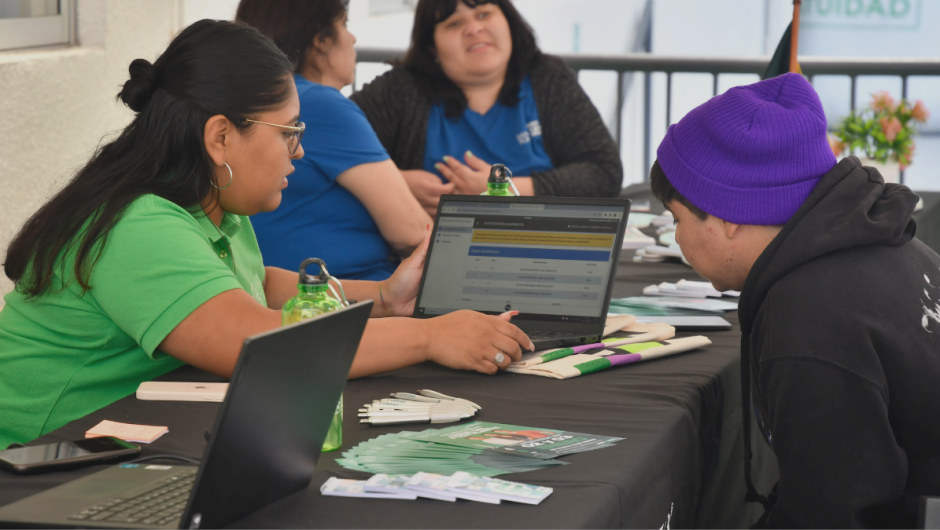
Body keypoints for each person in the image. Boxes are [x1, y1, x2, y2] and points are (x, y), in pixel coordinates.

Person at [0, 20, 534, 451]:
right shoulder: (138, 225)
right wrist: (430, 336)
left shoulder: (210, 206)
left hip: (120, 445)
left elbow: (254, 285)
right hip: (38, 466)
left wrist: (384, 298)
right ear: (220, 137)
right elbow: (261, 344)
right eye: (289, 132)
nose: (299, 151)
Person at [649, 72, 940, 528]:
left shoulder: (809, 319)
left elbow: (829, 518)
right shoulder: (889, 245)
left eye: (676, 218)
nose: (677, 237)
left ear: (728, 216)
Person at [351, 0, 622, 216]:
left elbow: (604, 172)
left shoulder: (548, 77)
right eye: (454, 22)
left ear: (509, 22)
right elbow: (331, 149)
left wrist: (505, 190)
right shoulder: (399, 90)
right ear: (431, 47)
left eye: (483, 14)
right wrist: (395, 184)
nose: (473, 28)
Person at [235, 0, 430, 280]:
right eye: (344, 24)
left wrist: (399, 181)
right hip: (347, 292)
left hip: (283, 286)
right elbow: (412, 233)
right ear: (321, 41)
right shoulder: (321, 103)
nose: (353, 38)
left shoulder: (253, 102)